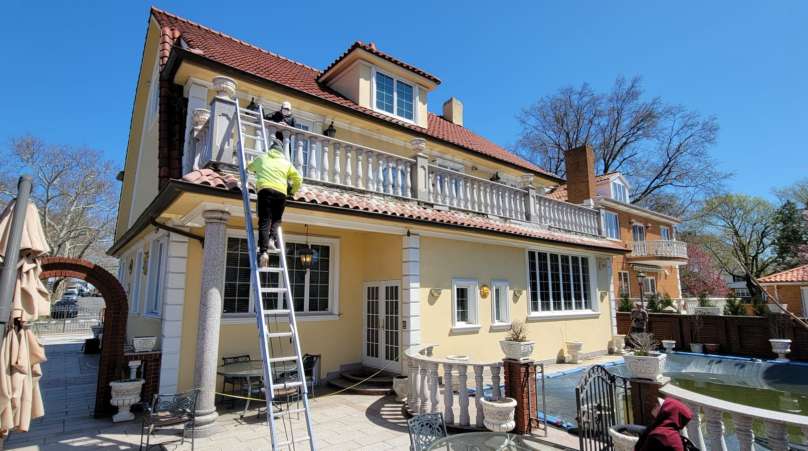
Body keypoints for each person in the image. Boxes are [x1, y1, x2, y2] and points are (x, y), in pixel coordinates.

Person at [247, 137, 302, 267]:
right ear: (281, 152)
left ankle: (264, 252)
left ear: (271, 149)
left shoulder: (262, 158)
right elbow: (298, 179)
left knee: (264, 221)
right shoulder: (286, 163)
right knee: (276, 220)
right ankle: (272, 239)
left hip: (265, 190)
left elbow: (249, 167)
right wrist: (292, 191)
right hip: (281, 193)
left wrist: (252, 167)